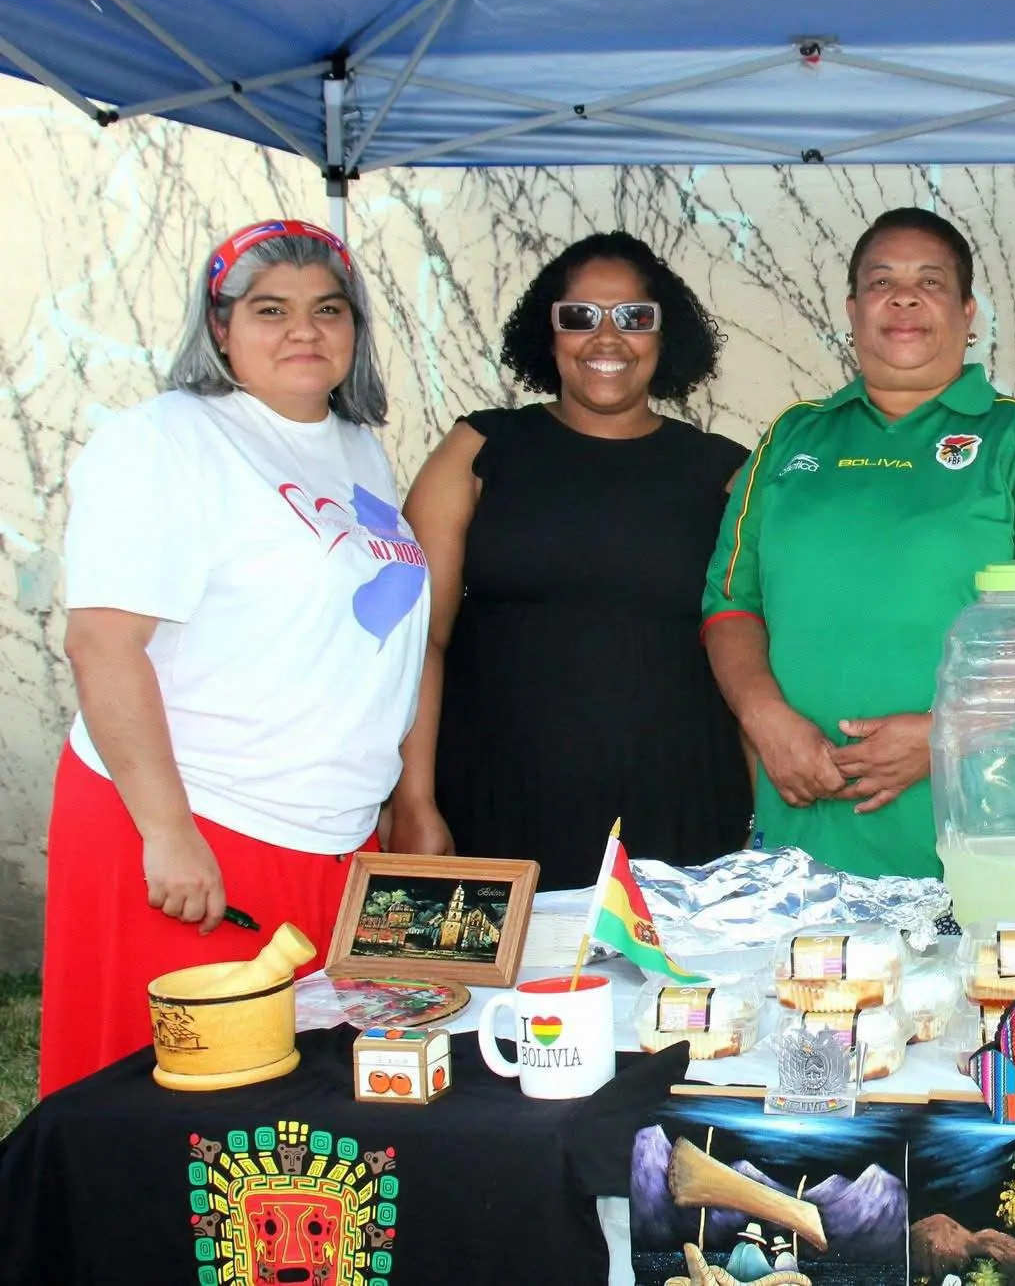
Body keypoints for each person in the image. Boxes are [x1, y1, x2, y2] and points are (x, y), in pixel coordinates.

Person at [41, 220, 428, 1094]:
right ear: (220, 326)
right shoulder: (167, 440)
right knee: (170, 1106)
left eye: (328, 308)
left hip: (325, 832)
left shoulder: (353, 443)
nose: (304, 330)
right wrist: (167, 832)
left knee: (295, 1116)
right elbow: (103, 642)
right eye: (270, 309)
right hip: (200, 824)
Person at [703, 207, 1015, 880]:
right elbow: (730, 603)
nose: (905, 297)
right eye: (882, 281)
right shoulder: (792, 436)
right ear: (853, 310)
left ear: (969, 313)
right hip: (804, 828)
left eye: (930, 282)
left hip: (973, 834)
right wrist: (766, 719)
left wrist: (948, 733)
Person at [391, 233, 752, 888]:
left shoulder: (725, 472)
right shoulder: (479, 450)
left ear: (664, 334)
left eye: (634, 317)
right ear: (548, 331)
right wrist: (413, 800)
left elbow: (754, 649)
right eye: (580, 315)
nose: (607, 337)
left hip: (680, 821)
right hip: (494, 812)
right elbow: (419, 640)